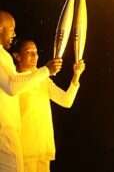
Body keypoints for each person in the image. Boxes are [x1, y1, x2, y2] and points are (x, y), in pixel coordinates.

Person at [0, 10, 62, 172]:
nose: (14, 34)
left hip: (13, 135)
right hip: (5, 134)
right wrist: (45, 70)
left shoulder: (4, 56)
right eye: (11, 29)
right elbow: (12, 87)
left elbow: (16, 81)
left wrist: (74, 76)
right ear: (1, 28)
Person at [12, 39, 85, 172]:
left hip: (43, 149)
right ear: (17, 56)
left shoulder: (43, 79)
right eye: (29, 52)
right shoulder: (14, 81)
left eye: (36, 52)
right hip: (23, 151)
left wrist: (76, 75)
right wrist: (46, 71)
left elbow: (66, 101)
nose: (35, 56)